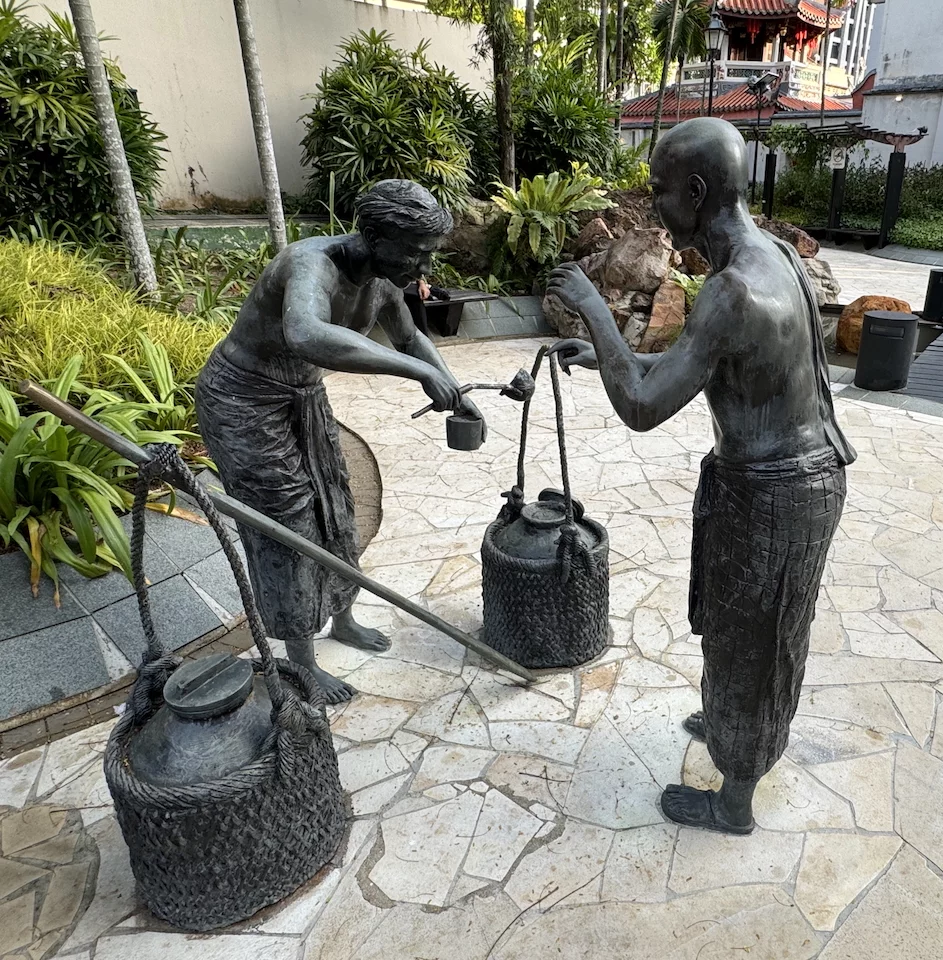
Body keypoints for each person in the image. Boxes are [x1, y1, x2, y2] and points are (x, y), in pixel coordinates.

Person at [547, 118, 855, 834]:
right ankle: (725, 720)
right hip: (785, 480)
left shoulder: (732, 289)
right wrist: (616, 356)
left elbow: (642, 408)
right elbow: (710, 361)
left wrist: (594, 312)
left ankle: (734, 798)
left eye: (659, 191)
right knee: (733, 625)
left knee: (755, 642)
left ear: (694, 191)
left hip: (778, 491)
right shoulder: (774, 254)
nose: (653, 205)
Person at [195, 180, 483, 704]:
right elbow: (307, 333)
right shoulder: (310, 264)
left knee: (335, 503)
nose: (424, 268)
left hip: (302, 395)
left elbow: (409, 337)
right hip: (243, 401)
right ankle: (301, 662)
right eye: (415, 253)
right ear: (373, 237)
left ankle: (342, 618)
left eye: (429, 254)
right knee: (289, 523)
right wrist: (417, 373)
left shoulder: (384, 280)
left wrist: (454, 389)